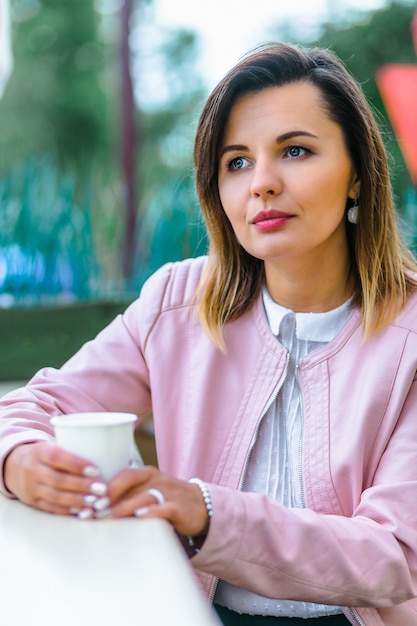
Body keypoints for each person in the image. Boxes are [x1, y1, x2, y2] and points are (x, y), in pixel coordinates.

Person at [0, 42, 417, 626]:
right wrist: (18, 460)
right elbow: (36, 403)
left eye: (295, 150)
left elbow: (392, 557)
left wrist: (205, 512)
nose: (262, 183)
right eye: (237, 161)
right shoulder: (176, 302)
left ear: (357, 175)